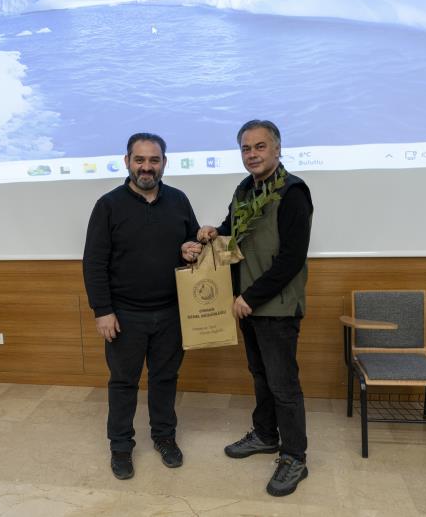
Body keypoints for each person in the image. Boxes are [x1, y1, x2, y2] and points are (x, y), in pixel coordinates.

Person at [193, 119, 313, 497]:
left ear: (277, 149)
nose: (252, 154)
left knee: (283, 385)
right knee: (261, 376)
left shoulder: (293, 192)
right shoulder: (245, 189)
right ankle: (265, 434)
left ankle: (294, 456)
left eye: (260, 147)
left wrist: (250, 297)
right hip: (246, 305)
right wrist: (212, 233)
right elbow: (233, 231)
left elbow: (292, 258)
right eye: (246, 148)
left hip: (275, 307)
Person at [83, 132, 201, 480]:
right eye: (140, 160)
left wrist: (191, 249)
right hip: (124, 315)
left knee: (165, 379)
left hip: (171, 313)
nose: (146, 167)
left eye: (153, 160)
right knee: (123, 383)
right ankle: (121, 446)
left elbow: (193, 243)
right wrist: (102, 311)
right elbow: (94, 262)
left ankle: (164, 437)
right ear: (127, 162)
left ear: (164, 163)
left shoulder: (179, 200)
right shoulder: (108, 205)